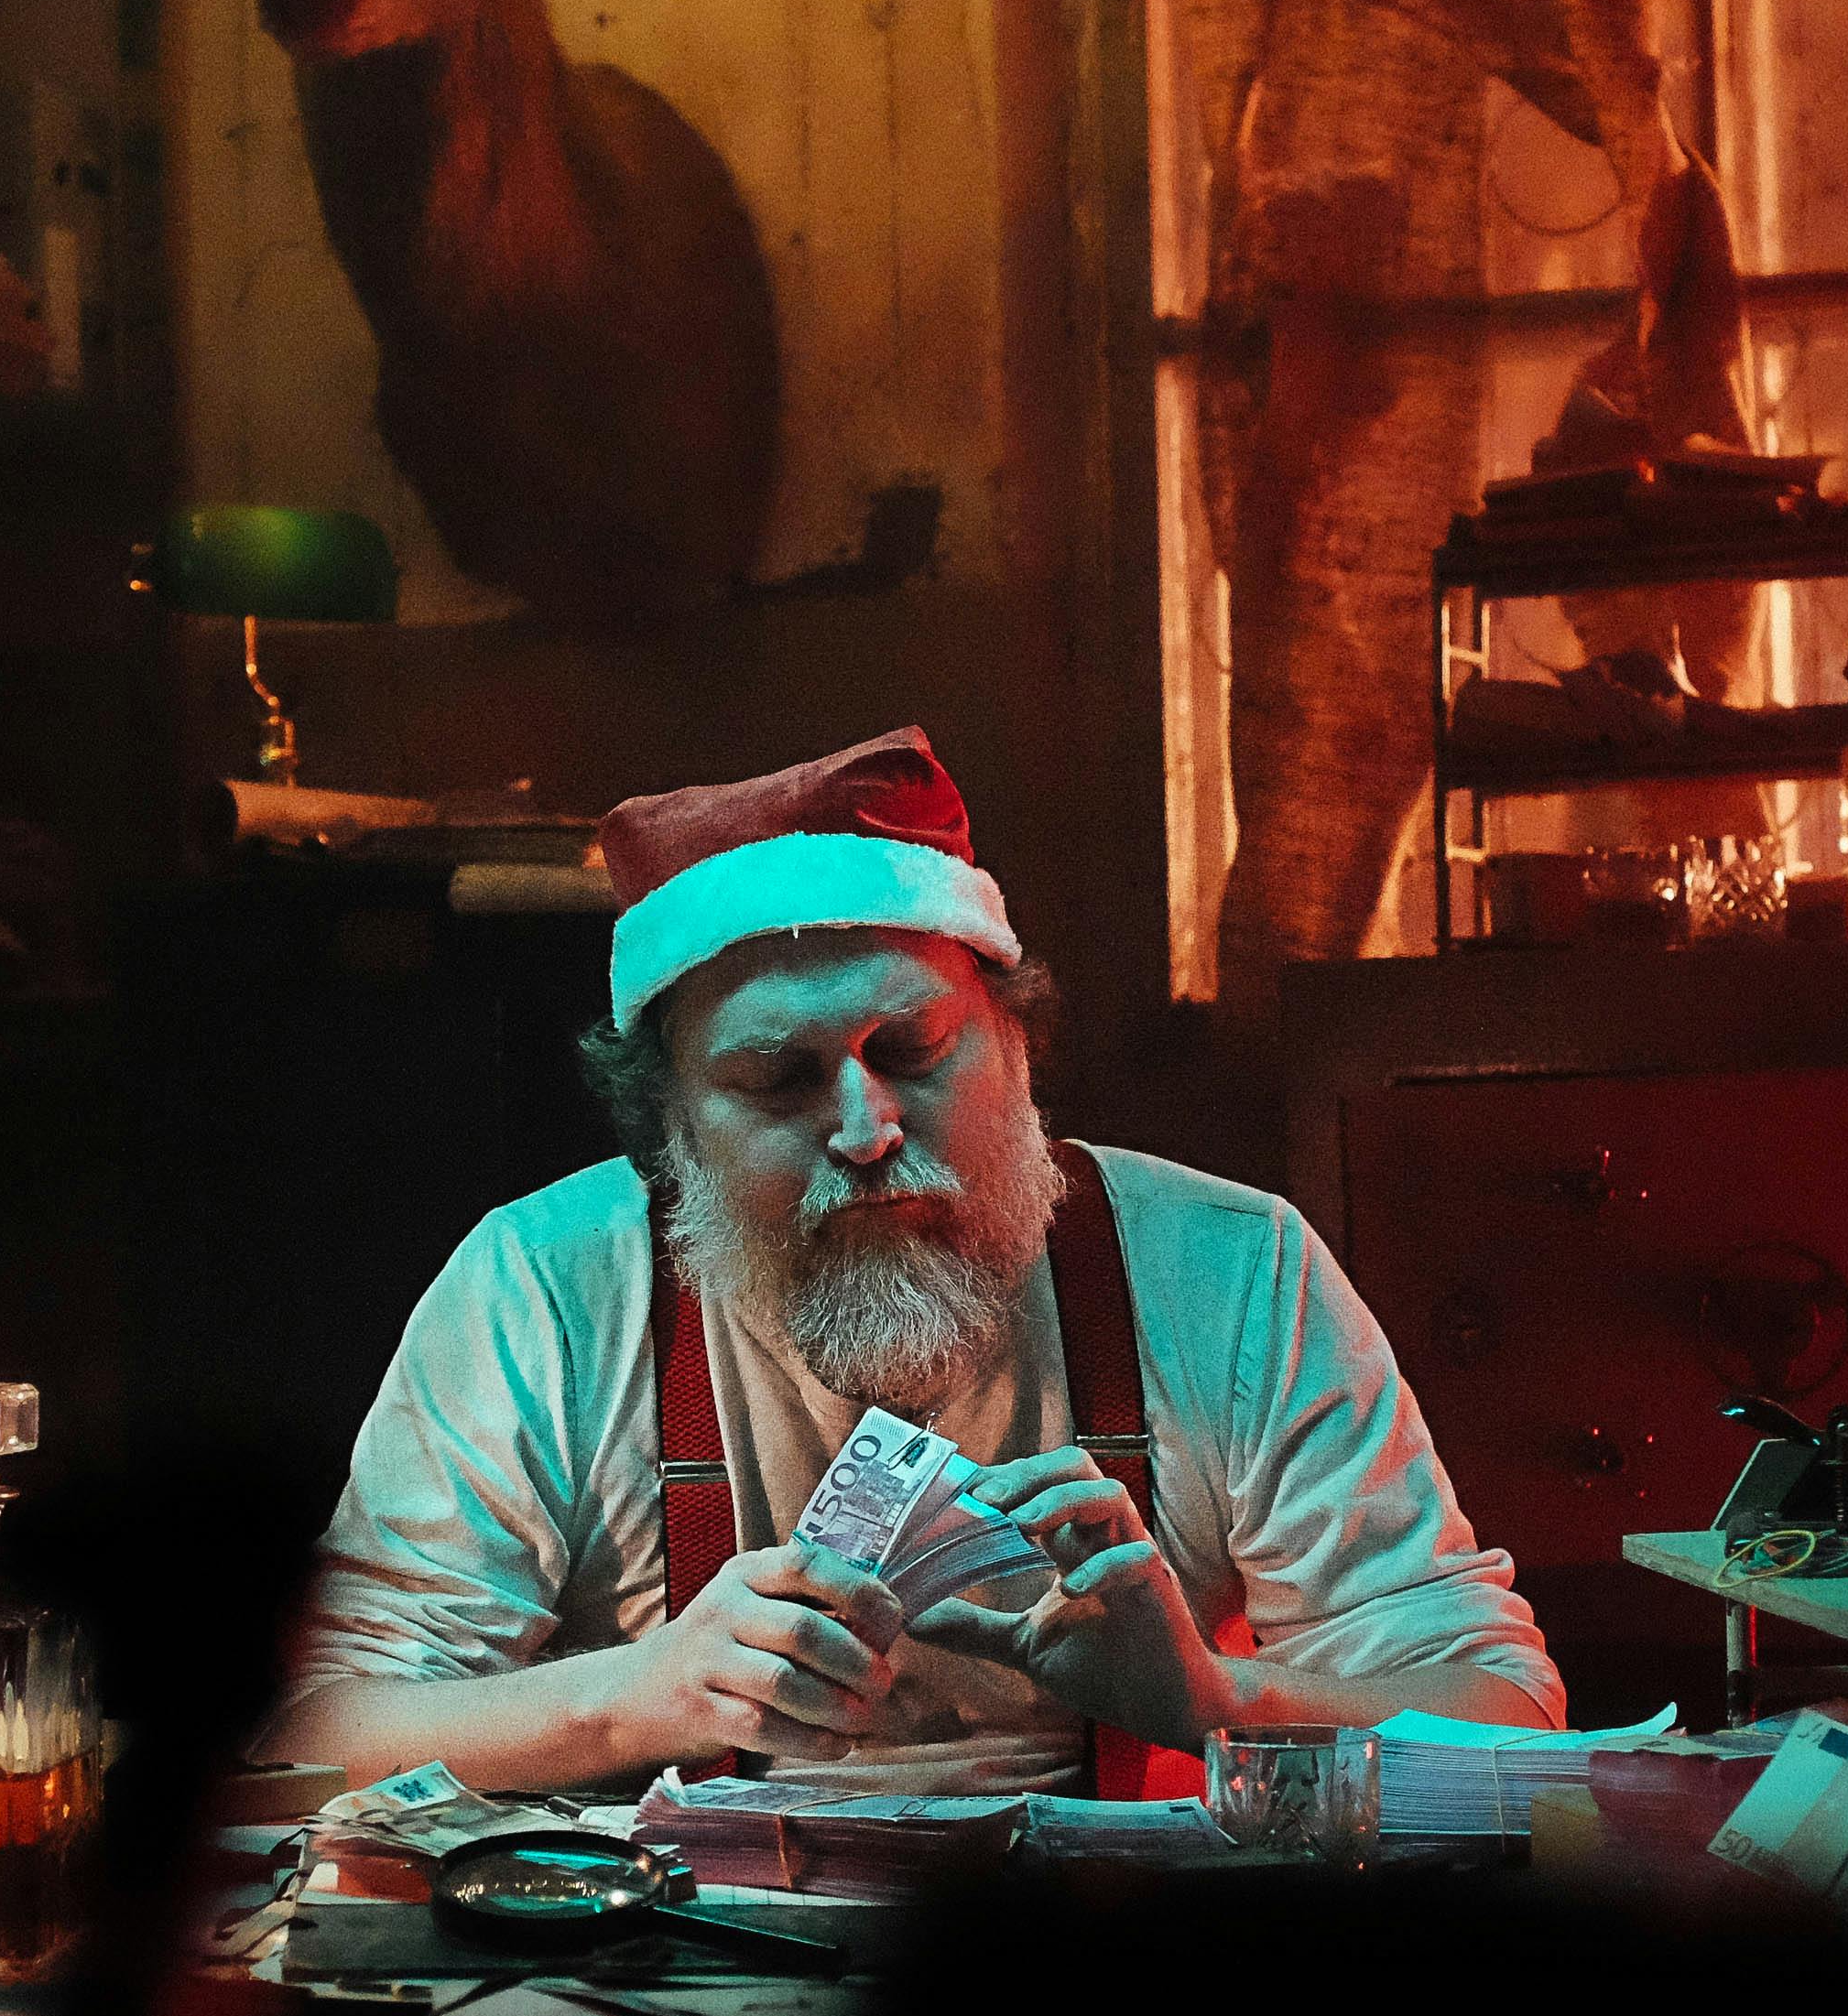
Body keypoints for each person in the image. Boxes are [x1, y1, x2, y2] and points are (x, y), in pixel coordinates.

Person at [257, 727, 1559, 1794]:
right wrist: (633, 1699)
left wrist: (1227, 1701)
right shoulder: (540, 1292)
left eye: (918, 1052)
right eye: (777, 1080)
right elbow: (316, 1736)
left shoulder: (1233, 1274)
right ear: (673, 1133)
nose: (867, 1130)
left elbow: (1508, 1716)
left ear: (1018, 1044)